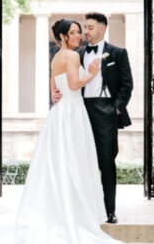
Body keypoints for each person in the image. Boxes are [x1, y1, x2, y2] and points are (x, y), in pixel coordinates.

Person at [0, 19, 128, 244]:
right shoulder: (71, 56)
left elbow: (54, 88)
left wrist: (58, 94)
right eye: (73, 32)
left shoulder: (57, 57)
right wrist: (91, 73)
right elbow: (72, 85)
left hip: (60, 113)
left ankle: (65, 206)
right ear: (62, 36)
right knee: (74, 163)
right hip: (72, 114)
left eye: (79, 32)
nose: (78, 36)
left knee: (60, 164)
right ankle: (74, 211)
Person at [52, 12, 133, 224]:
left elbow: (127, 85)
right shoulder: (76, 53)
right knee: (80, 161)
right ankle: (82, 210)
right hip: (81, 108)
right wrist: (55, 92)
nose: (84, 32)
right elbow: (65, 77)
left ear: (101, 29)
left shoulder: (117, 52)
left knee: (106, 162)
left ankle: (109, 211)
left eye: (88, 28)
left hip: (105, 110)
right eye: (82, 28)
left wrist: (115, 109)